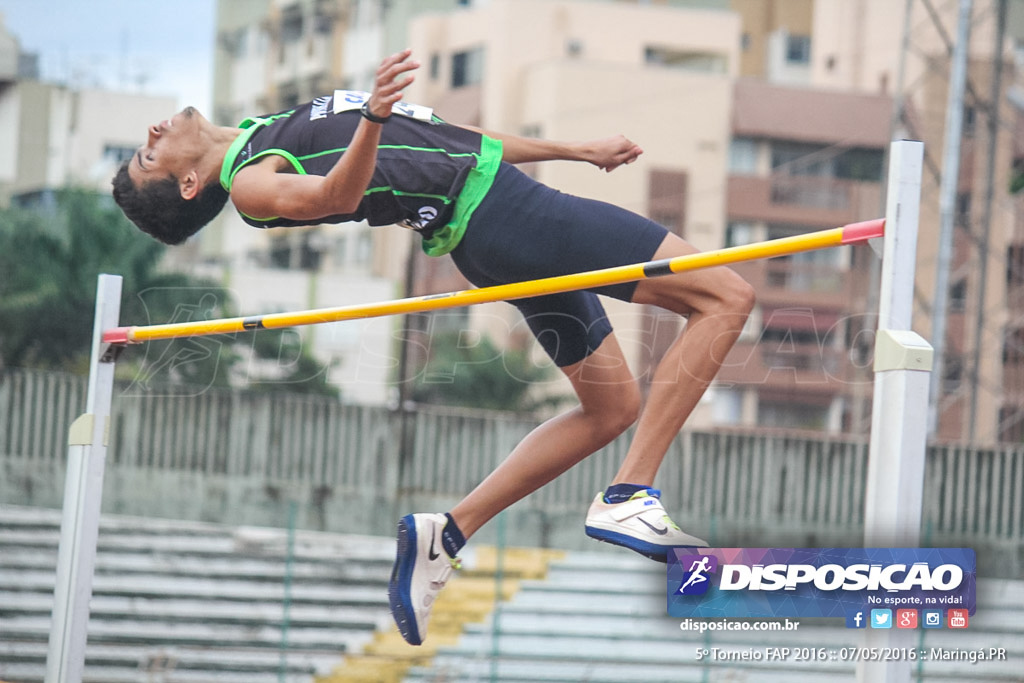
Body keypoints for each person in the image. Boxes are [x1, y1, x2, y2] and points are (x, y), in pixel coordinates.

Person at [112, 49, 755, 646]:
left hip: (494, 221)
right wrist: (372, 116)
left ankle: (447, 533)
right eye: (148, 157)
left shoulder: (267, 127)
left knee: (612, 407)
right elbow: (335, 195)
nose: (151, 135)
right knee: (726, 296)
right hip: (505, 217)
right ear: (190, 186)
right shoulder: (253, 181)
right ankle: (630, 494)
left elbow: (451, 142)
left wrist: (576, 150)